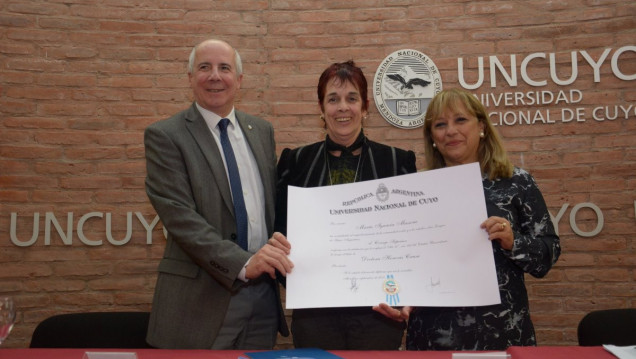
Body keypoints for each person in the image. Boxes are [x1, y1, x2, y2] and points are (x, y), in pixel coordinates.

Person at [374, 88, 561, 350]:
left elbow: (548, 255)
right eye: (440, 124)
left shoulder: (517, 183)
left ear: (481, 126)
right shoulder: (415, 190)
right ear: (433, 137)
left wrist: (512, 241)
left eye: (460, 120)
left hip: (501, 335)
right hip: (432, 337)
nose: (450, 131)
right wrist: (399, 298)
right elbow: (405, 260)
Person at [143, 39, 293, 350]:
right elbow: (180, 218)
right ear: (189, 78)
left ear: (239, 80)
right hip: (201, 301)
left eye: (224, 68)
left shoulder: (261, 131)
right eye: (204, 67)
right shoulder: (166, 136)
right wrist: (242, 263)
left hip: (264, 299)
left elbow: (271, 209)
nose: (215, 76)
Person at [275, 60, 416, 350]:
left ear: (365, 107)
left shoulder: (397, 162)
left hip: (379, 315)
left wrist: (405, 294)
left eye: (351, 99)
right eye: (333, 99)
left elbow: (411, 242)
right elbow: (279, 231)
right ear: (321, 107)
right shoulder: (295, 162)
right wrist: (299, 278)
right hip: (315, 314)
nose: (342, 107)